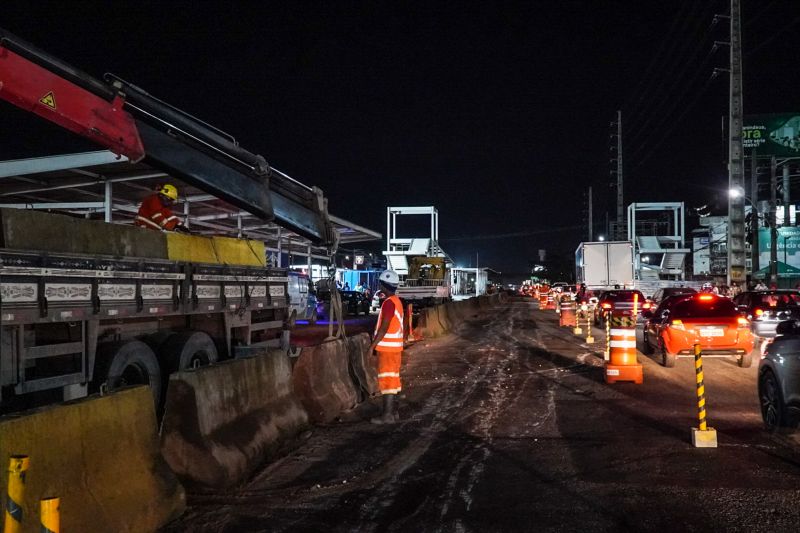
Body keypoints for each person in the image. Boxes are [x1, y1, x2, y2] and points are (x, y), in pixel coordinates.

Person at [368, 270, 404, 424]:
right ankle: (393, 412)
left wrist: (372, 346)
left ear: (383, 285)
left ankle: (387, 416)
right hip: (395, 349)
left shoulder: (389, 303)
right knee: (393, 380)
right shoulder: (397, 301)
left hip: (387, 350)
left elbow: (384, 327)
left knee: (387, 381)